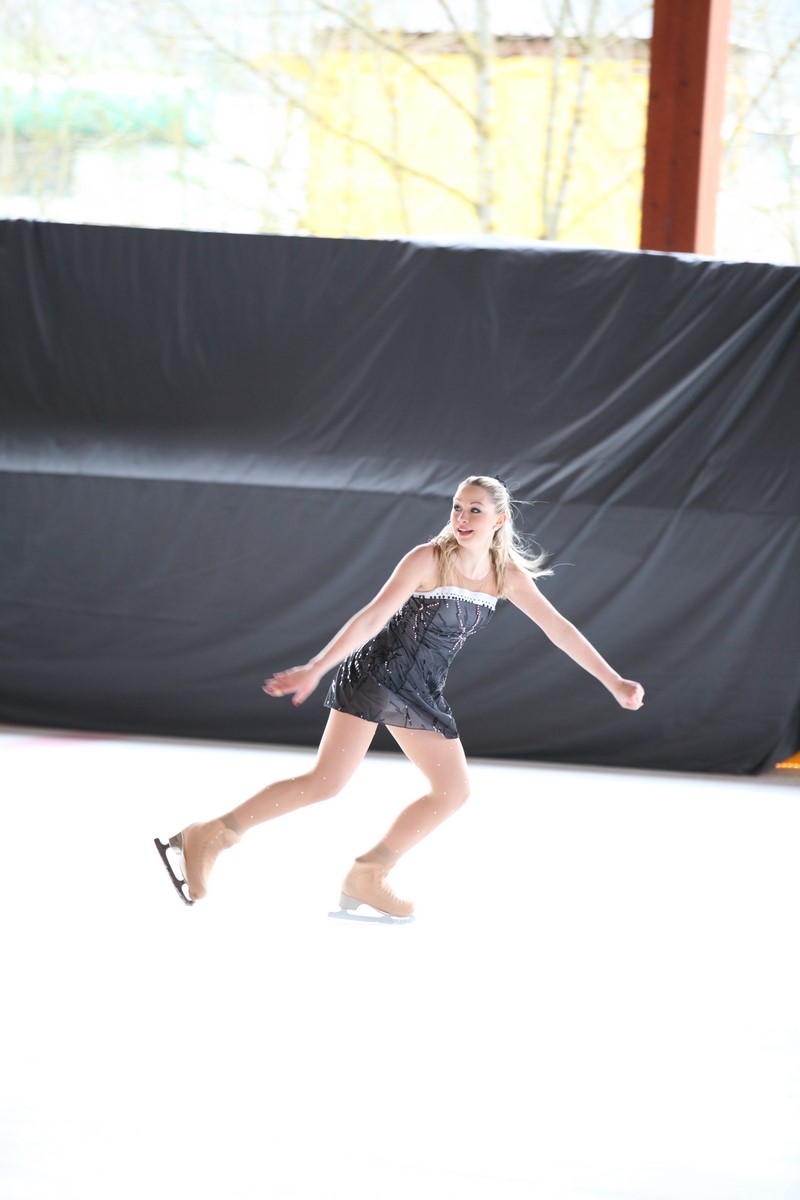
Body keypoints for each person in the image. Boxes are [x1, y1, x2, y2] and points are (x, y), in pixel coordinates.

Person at [155, 475, 644, 920]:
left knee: (450, 792)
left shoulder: (506, 576)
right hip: (377, 676)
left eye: (475, 510)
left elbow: (560, 629)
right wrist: (316, 667)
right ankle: (211, 836)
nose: (462, 517)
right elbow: (371, 618)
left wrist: (614, 681)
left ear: (499, 520)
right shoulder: (428, 559)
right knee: (326, 782)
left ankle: (367, 874)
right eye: (457, 507)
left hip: (421, 689)